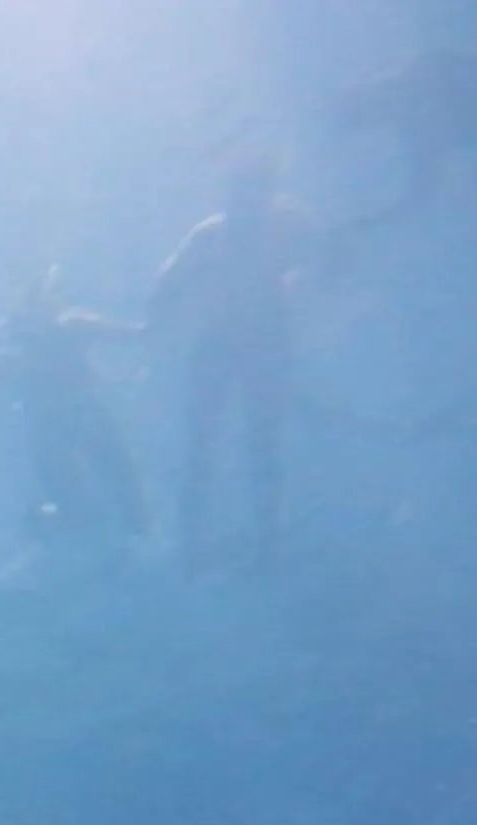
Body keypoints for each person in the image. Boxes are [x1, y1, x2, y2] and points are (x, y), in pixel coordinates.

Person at [143, 156, 323, 563]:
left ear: (267, 195)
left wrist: (300, 279)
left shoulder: (282, 223)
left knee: (256, 442)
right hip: (227, 343)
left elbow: (323, 259)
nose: (246, 206)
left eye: (253, 196)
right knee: (211, 442)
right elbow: (167, 282)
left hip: (257, 341)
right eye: (240, 197)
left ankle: (258, 539)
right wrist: (161, 309)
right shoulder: (215, 234)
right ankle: (200, 540)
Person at [0, 273, 150, 544]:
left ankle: (118, 529)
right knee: (105, 481)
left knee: (112, 480)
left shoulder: (61, 331)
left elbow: (127, 333)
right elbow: (130, 333)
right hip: (67, 419)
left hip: (72, 417)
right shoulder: (39, 342)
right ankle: (111, 529)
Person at [333, 48, 477, 227]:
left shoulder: (428, 63)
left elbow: (421, 194)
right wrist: (365, 226)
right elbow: (421, 194)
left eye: (366, 95)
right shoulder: (420, 135)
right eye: (368, 108)